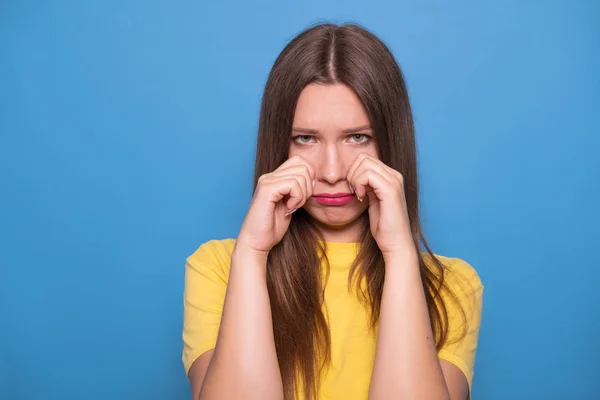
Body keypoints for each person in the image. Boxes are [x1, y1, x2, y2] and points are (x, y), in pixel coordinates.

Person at [182, 22, 483, 400]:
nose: (331, 172)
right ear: (279, 143)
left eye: (358, 137)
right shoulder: (219, 269)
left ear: (391, 141)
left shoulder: (450, 286)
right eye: (305, 138)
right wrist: (253, 253)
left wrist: (399, 254)